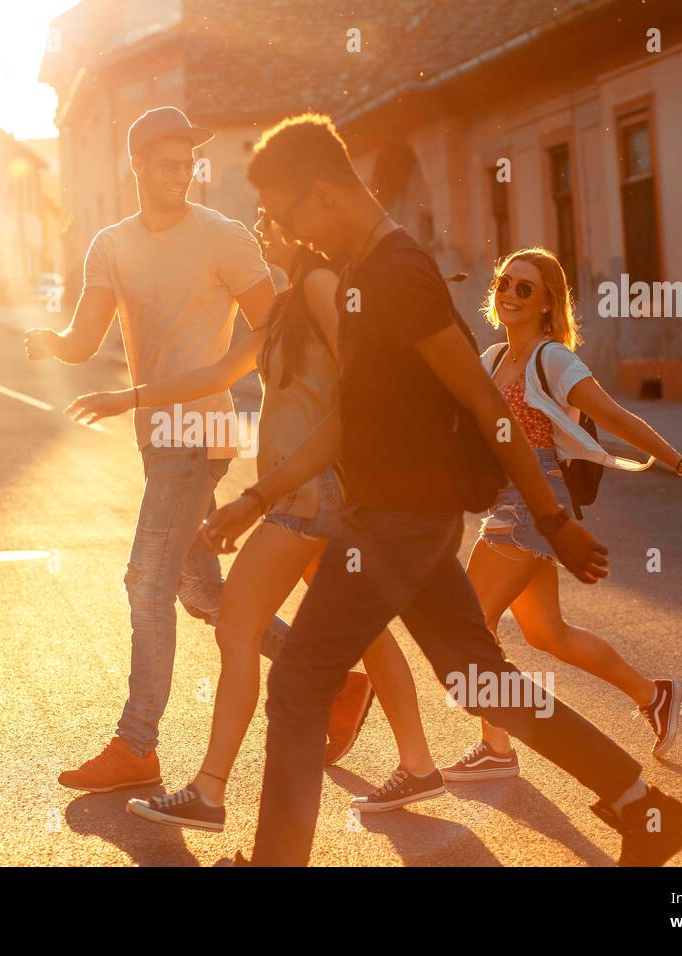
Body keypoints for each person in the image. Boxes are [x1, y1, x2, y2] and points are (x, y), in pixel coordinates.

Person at [202, 112, 682, 867]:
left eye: (285, 212)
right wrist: (260, 495)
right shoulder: (368, 274)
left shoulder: (397, 274)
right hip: (408, 523)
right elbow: (348, 418)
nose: (288, 232)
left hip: (398, 525)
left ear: (326, 192)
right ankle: (644, 811)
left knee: (301, 683)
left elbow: (485, 401)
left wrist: (550, 517)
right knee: (481, 683)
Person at [23, 106, 370, 793]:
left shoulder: (224, 236)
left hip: (200, 433)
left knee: (145, 581)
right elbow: (86, 337)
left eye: (189, 163)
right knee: (202, 592)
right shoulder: (111, 245)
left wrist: (283, 421)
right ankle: (335, 682)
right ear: (138, 167)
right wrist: (53, 343)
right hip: (159, 437)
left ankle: (137, 744)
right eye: (168, 164)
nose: (182, 175)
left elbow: (276, 329)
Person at [65, 214, 444, 831]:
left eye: (271, 218)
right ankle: (419, 764)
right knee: (366, 628)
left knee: (236, 622)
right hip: (308, 492)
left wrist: (268, 492)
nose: (262, 229)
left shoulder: (320, 287)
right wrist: (128, 397)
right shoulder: (287, 304)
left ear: (303, 227)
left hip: (309, 492)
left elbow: (361, 385)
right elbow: (218, 374)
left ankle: (210, 794)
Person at [440, 248, 682, 782]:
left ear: (550, 301)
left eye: (526, 288)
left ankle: (497, 748)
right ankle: (653, 694)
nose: (510, 294)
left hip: (533, 501)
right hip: (511, 497)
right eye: (505, 282)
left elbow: (614, 415)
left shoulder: (554, 359)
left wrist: (680, 462)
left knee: (469, 625)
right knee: (549, 633)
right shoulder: (492, 357)